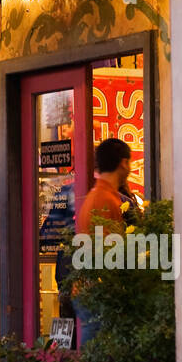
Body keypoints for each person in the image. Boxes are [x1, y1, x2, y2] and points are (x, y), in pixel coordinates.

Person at [73, 138, 132, 345]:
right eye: (129, 163)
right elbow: (108, 255)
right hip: (95, 291)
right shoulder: (105, 199)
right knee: (96, 357)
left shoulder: (98, 195)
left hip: (89, 289)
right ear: (123, 163)